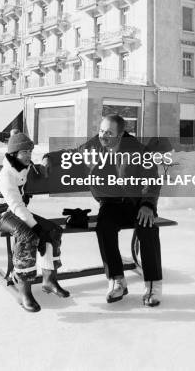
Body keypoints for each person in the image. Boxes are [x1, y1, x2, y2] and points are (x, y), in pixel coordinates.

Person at [44, 114, 163, 307]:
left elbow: (152, 179)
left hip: (136, 203)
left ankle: (152, 285)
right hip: (111, 203)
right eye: (101, 131)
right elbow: (72, 153)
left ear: (121, 134)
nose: (103, 136)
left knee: (147, 226)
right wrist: (49, 158)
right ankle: (117, 280)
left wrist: (148, 204)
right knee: (104, 226)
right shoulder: (93, 147)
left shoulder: (138, 151)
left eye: (109, 132)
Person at [0, 131, 70, 313]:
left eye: (30, 151)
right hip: (2, 214)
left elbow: (37, 171)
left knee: (54, 230)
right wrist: (37, 229)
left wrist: (45, 164)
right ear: (13, 154)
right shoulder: (6, 176)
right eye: (24, 152)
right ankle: (24, 290)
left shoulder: (23, 166)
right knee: (28, 236)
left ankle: (49, 279)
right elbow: (17, 207)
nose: (28, 155)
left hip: (18, 212)